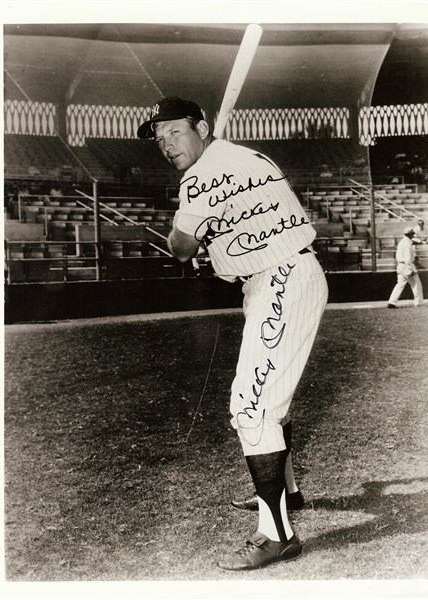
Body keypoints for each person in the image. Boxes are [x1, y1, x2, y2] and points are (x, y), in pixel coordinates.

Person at [137, 97, 328, 571]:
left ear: (201, 127)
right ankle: (288, 493)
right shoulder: (246, 157)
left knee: (251, 406)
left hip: (280, 278)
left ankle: (277, 534)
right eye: (158, 138)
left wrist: (176, 234)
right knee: (269, 399)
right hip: (277, 276)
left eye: (174, 132)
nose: (165, 144)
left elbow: (180, 250)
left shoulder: (201, 177)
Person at [387, 227, 424, 308]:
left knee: (400, 284)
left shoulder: (402, 242)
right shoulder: (407, 244)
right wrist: (412, 268)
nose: (414, 235)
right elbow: (407, 259)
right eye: (413, 233)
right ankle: (419, 303)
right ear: (410, 234)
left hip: (400, 265)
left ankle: (391, 302)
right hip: (406, 265)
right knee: (417, 285)